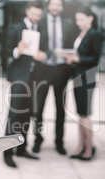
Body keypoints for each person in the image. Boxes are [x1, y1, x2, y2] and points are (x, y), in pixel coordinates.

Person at [3, 1, 44, 168]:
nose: (36, 17)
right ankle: (8, 153)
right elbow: (6, 50)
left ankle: (21, 149)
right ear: (27, 11)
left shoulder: (42, 29)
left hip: (36, 77)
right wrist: (17, 50)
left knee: (28, 114)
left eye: (39, 15)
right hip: (19, 77)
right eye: (33, 14)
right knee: (15, 115)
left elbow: (45, 50)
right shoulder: (15, 28)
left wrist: (43, 55)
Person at [32, 0, 76, 155]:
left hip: (61, 70)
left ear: (62, 7)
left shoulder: (69, 23)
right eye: (53, 4)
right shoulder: (40, 22)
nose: (55, 7)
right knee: (38, 108)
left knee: (60, 108)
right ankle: (38, 140)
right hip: (43, 70)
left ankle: (59, 142)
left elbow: (73, 44)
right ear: (48, 6)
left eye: (58, 4)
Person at [64, 6, 102, 161]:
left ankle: (89, 148)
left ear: (90, 18)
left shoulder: (94, 34)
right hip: (78, 77)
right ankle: (80, 146)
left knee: (85, 115)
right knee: (80, 114)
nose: (78, 23)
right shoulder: (81, 34)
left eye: (81, 19)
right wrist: (71, 59)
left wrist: (78, 59)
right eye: (77, 20)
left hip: (88, 79)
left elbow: (95, 58)